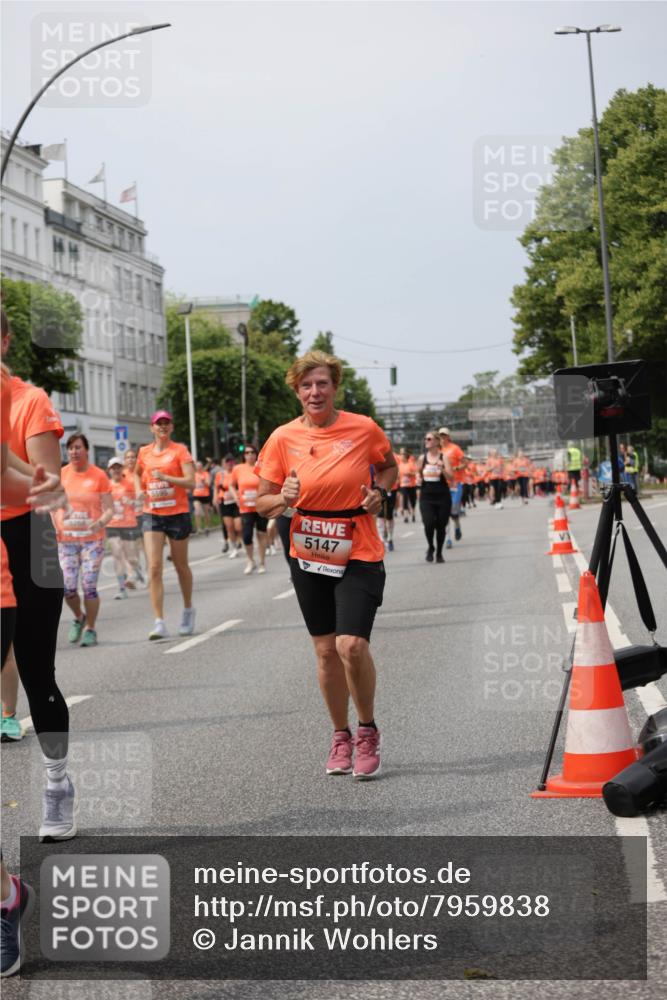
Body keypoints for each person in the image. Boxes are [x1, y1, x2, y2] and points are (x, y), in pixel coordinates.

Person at [255, 350, 396, 779]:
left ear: (334, 387)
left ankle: (367, 730)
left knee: (350, 645)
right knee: (325, 651)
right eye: (306, 385)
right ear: (296, 391)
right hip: (309, 548)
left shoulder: (363, 427)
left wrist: (380, 493)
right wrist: (283, 498)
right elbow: (262, 503)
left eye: (321, 383)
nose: (314, 392)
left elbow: (388, 468)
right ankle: (340, 735)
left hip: (358, 546)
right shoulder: (282, 438)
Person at [0, 354, 74, 859]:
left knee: (35, 671)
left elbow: (49, 488)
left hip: (29, 540)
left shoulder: (29, 401)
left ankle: (56, 785)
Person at [134, 410, 196, 640]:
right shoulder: (144, 452)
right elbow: (136, 474)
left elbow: (191, 482)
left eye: (166, 423)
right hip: (152, 514)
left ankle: (188, 609)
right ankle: (159, 621)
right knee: (154, 567)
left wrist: (167, 478)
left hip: (177, 513)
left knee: (180, 565)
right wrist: (139, 490)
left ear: (171, 427)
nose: (162, 426)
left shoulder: (180, 451)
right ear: (151, 428)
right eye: (158, 423)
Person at [54, 434, 113, 647]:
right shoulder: (61, 474)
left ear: (86, 450)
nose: (74, 452)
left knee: (89, 586)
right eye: (70, 448)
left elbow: (110, 509)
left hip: (92, 541)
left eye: (78, 447)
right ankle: (79, 617)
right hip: (67, 540)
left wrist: (100, 522)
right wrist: (54, 526)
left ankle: (91, 628)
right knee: (68, 588)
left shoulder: (99, 475)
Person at [106, 456, 142, 598]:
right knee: (117, 554)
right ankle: (122, 589)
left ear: (122, 469)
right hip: (112, 524)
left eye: (118, 467)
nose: (116, 470)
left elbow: (140, 501)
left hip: (128, 524)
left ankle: (136, 571)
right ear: (109, 470)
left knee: (131, 557)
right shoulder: (105, 485)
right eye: (113, 468)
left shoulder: (130, 484)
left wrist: (131, 502)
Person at [231, 444, 268, 575]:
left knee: (261, 534)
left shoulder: (262, 467)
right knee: (246, 536)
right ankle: (250, 560)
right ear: (244, 455)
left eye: (252, 452)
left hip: (260, 506)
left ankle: (262, 562)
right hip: (245, 508)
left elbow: (268, 483)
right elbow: (231, 485)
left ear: (256, 454)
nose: (250, 455)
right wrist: (235, 496)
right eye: (247, 453)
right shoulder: (238, 469)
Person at [417, 431, 453, 562]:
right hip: (426, 497)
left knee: (441, 525)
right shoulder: (422, 458)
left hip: (442, 496)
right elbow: (418, 473)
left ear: (437, 441)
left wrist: (442, 469)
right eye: (425, 439)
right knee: (428, 524)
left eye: (429, 439)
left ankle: (439, 553)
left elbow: (451, 477)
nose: (426, 441)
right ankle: (431, 547)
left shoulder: (444, 458)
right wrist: (418, 479)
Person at [438, 428, 465, 542]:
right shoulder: (437, 450)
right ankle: (447, 537)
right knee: (444, 511)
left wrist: (456, 468)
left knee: (453, 509)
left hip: (455, 483)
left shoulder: (455, 448)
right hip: (442, 484)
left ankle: (457, 526)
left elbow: (464, 463)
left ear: (448, 437)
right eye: (440, 436)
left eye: (444, 435)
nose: (442, 438)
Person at [214, 454, 242, 557]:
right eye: (227, 462)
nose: (229, 465)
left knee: (238, 526)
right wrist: (215, 498)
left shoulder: (237, 473)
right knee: (229, 527)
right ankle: (234, 548)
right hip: (225, 502)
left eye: (231, 462)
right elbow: (216, 487)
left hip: (236, 502)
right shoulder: (220, 474)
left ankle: (239, 539)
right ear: (224, 464)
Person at [397, 448, 417, 522]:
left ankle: (413, 514)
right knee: (404, 500)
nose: (401, 457)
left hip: (411, 485)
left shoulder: (411, 464)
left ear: (405, 456)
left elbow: (415, 473)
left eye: (402, 455)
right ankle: (406, 516)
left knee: (412, 500)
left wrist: (409, 474)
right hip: (403, 485)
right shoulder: (400, 465)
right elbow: (398, 475)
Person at [192, 460, 212, 535]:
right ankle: (199, 528)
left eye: (200, 466)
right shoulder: (194, 474)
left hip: (205, 495)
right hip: (196, 495)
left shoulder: (206, 474)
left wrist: (204, 482)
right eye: (197, 466)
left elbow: (209, 484)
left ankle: (207, 527)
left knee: (206, 512)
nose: (199, 467)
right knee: (197, 511)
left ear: (202, 467)